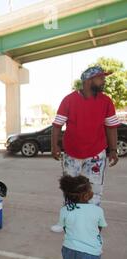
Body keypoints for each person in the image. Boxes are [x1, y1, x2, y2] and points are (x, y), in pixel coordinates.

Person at [51, 66, 120, 232]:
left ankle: (92, 224)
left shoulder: (106, 101)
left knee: (95, 190)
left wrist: (113, 150)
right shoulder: (69, 100)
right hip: (72, 154)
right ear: (89, 81)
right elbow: (57, 125)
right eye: (101, 78)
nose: (104, 81)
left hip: (96, 154)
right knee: (69, 189)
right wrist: (54, 146)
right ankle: (66, 222)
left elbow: (111, 127)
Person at [57, 175, 107, 259]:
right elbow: (99, 228)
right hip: (94, 252)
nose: (92, 192)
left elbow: (65, 228)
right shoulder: (97, 210)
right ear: (85, 195)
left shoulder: (64, 210)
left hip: (72, 251)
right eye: (90, 189)